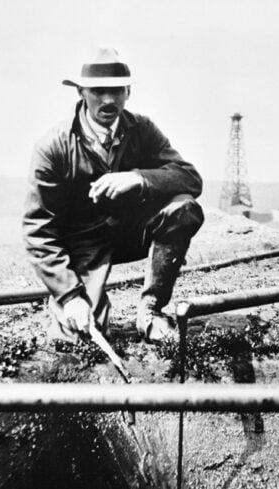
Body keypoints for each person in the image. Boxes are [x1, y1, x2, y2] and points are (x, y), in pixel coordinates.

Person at [23, 47, 204, 343]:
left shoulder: (141, 129)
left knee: (184, 208)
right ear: (81, 92)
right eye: (98, 91)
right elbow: (38, 231)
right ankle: (67, 299)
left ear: (128, 92)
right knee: (80, 335)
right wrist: (70, 296)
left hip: (130, 233)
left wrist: (138, 179)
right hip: (82, 245)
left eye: (116, 91)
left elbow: (190, 178)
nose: (108, 100)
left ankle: (151, 311)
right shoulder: (53, 147)